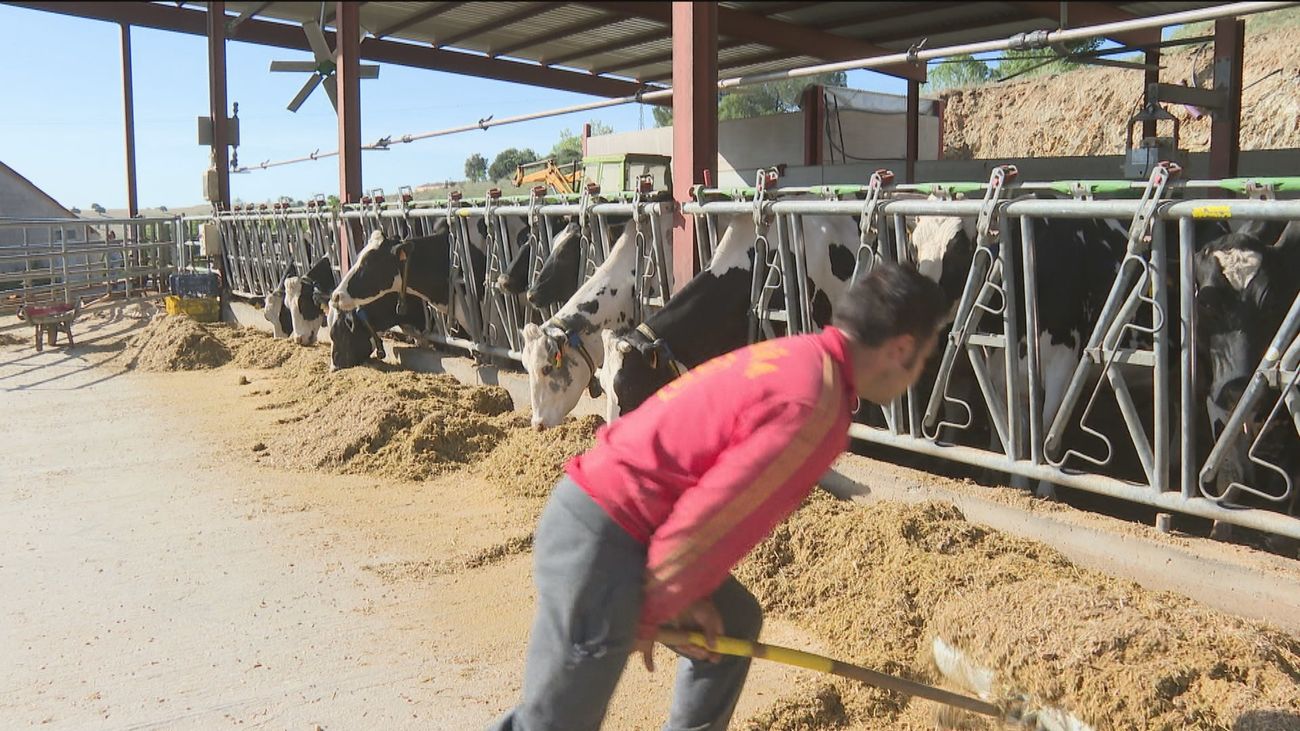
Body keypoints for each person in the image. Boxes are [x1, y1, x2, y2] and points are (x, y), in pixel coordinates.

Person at [489, 261, 948, 731]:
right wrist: (659, 598)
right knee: (549, 726)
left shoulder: (804, 356)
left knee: (732, 622)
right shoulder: (816, 403)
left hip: (619, 521)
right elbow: (714, 513)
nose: (918, 373)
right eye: (927, 357)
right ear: (902, 348)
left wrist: (677, 591)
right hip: (604, 534)